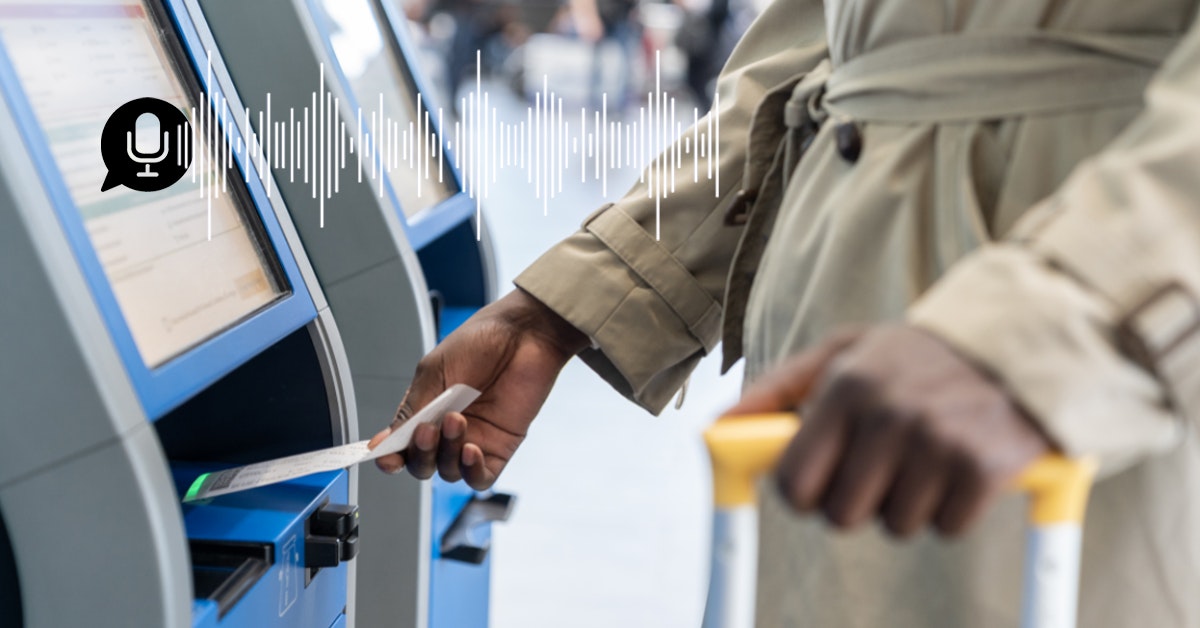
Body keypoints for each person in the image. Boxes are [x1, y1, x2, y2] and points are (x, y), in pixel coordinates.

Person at [370, 0, 1200, 625]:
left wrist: (1057, 325)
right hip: (836, 324)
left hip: (1096, 342)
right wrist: (557, 310)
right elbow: (809, 63)